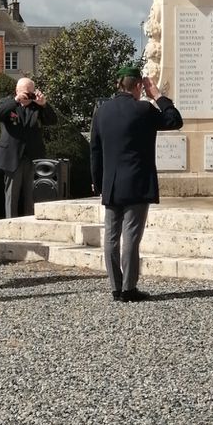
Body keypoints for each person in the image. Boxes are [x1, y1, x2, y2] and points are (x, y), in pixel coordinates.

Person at [90, 65, 183, 302]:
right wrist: (158, 96)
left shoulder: (102, 112)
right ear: (139, 86)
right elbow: (174, 120)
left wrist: (98, 182)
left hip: (110, 183)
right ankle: (129, 289)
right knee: (131, 235)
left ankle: (115, 286)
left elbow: (95, 151)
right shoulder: (143, 109)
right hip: (137, 182)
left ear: (118, 84)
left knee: (111, 236)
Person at [0, 77, 57, 218]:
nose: (28, 96)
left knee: (31, 195)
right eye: (25, 93)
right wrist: (16, 100)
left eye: (31, 92)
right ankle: (10, 225)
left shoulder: (37, 107)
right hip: (12, 156)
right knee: (12, 195)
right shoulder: (7, 103)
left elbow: (53, 120)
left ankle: (30, 223)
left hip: (32, 156)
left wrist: (44, 104)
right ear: (17, 91)